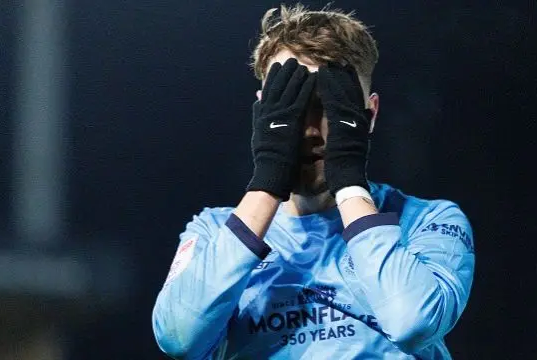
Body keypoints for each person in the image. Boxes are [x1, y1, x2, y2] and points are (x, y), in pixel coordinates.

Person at [152, 4, 475, 359]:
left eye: (330, 108)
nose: (308, 130)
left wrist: (349, 181)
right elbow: (179, 338)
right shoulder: (213, 230)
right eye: (290, 106)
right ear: (263, 113)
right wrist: (267, 180)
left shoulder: (428, 221)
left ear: (368, 114)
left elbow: (412, 324)